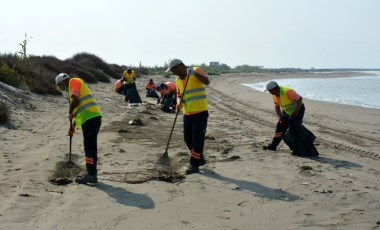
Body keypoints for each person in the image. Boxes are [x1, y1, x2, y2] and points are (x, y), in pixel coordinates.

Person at [55, 73, 102, 185]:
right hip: (92, 118)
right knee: (91, 147)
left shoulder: (73, 82)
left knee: (89, 148)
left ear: (63, 82)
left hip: (90, 118)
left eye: (60, 86)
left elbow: (76, 101)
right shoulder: (72, 90)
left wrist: (69, 112)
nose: (61, 89)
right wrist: (72, 127)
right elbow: (79, 111)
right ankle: (92, 173)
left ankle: (91, 176)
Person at [166, 58, 210, 175]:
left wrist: (194, 74)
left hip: (200, 111)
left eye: (173, 70)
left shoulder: (196, 70)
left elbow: (207, 81)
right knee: (187, 138)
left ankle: (194, 164)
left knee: (197, 139)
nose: (172, 72)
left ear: (179, 66)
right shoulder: (178, 80)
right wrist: (179, 102)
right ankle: (199, 158)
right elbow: (179, 94)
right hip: (187, 113)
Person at [262, 80, 305, 151]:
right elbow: (277, 106)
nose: (269, 92)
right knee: (280, 126)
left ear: (274, 89)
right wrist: (280, 117)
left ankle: (297, 147)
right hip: (286, 111)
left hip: (298, 110)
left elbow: (299, 99)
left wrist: (296, 111)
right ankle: (273, 146)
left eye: (270, 91)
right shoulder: (274, 95)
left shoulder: (287, 91)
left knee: (294, 128)